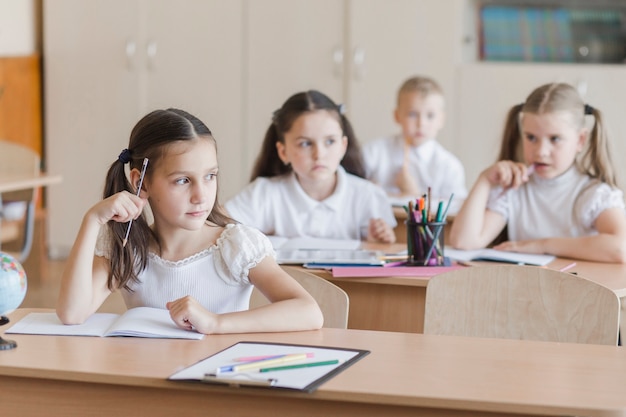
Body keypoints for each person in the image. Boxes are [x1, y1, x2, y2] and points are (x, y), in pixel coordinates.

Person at [56, 108, 323, 334]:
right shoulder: (129, 248)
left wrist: (215, 322)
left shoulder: (236, 246)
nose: (201, 196)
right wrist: (92, 221)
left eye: (210, 176)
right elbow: (72, 313)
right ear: (141, 182)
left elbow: (309, 312)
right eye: (183, 180)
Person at [449, 82, 626, 264]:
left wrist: (542, 245)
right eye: (531, 138)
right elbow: (464, 242)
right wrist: (484, 180)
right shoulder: (514, 189)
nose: (541, 151)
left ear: (580, 140)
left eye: (555, 139)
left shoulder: (594, 194)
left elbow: (621, 247)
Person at [225, 90, 397, 243]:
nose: (319, 154)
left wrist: (377, 241)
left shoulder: (368, 196)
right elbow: (219, 228)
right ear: (283, 151)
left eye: (330, 141)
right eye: (305, 144)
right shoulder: (264, 193)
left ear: (343, 146)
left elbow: (387, 253)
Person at [362, 76, 467, 211]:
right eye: (412, 114)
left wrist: (414, 195)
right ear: (397, 116)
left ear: (441, 119)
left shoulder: (449, 166)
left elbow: (456, 208)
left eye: (430, 116)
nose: (421, 123)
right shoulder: (374, 152)